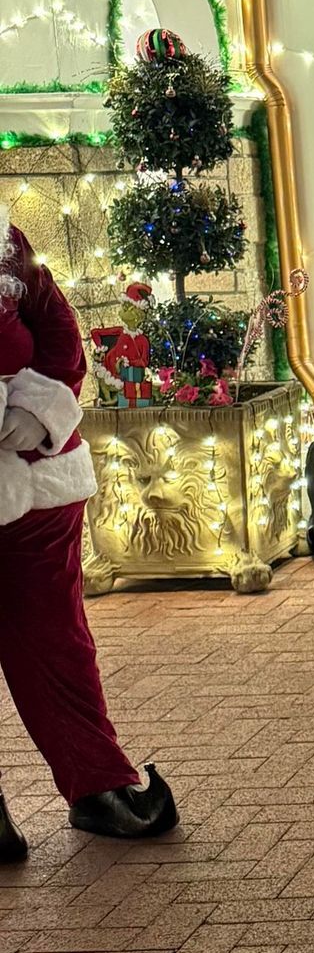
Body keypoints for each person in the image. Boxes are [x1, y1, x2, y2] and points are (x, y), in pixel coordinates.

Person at [0, 226, 178, 863]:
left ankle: (96, 785)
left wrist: (39, 410)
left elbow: (59, 334)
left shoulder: (8, 245)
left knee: (58, 643)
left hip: (37, 482)